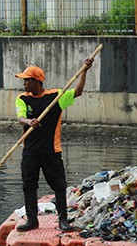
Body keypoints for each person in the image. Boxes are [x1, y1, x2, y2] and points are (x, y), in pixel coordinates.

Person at [14, 58, 94, 232]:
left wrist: (84, 71)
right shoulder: (22, 99)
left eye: (27, 80)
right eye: (24, 80)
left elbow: (78, 92)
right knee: (29, 186)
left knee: (59, 186)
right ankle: (32, 220)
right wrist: (29, 121)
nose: (24, 83)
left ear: (37, 81)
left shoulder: (56, 97)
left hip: (51, 151)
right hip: (30, 151)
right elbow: (20, 117)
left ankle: (63, 220)